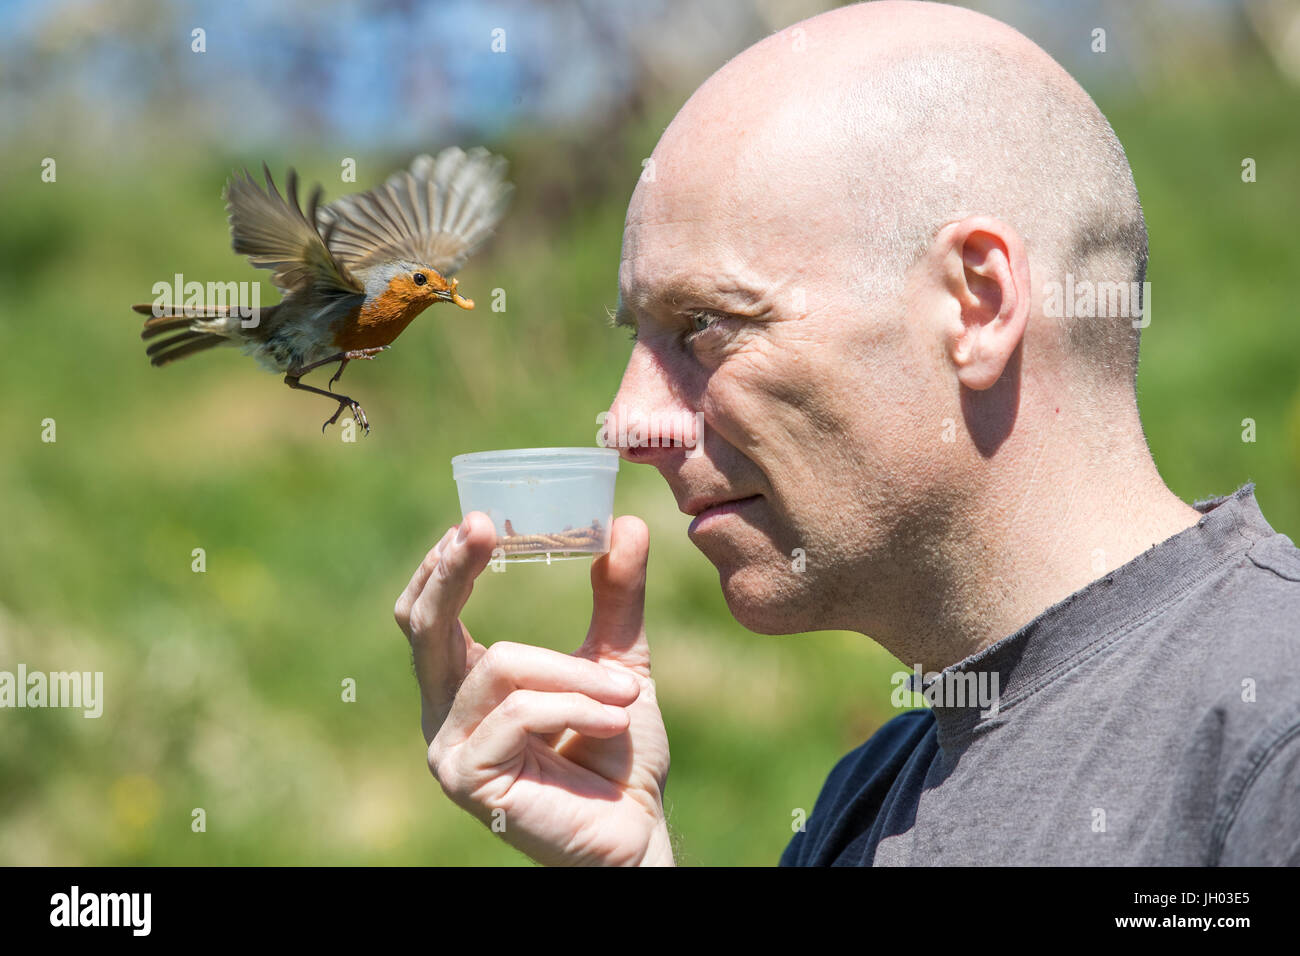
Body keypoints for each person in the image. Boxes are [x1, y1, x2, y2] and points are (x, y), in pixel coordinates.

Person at [393, 0, 1300, 865]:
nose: (629, 422)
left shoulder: (1271, 730)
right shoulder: (871, 795)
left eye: (706, 323)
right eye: (642, 339)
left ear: (975, 304)